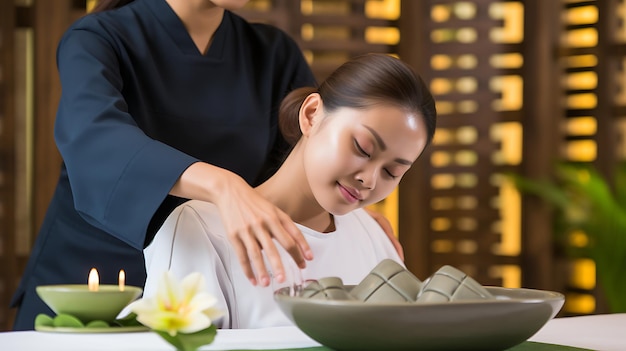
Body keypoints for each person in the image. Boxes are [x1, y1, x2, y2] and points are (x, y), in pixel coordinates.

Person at [10, 0, 400, 330]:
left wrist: (352, 221)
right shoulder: (98, 38)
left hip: (210, 290)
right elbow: (95, 139)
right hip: (92, 288)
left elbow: (305, 168)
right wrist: (223, 186)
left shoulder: (273, 53)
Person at [140, 53, 437, 328]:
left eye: (392, 172)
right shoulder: (202, 229)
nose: (370, 180)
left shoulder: (373, 237)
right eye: (362, 148)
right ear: (311, 114)